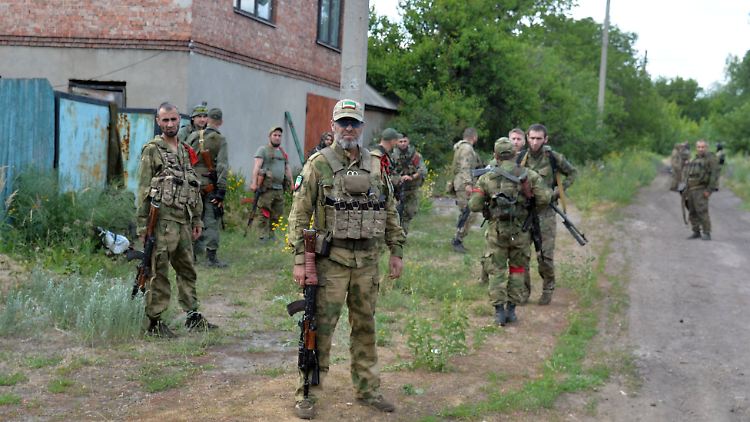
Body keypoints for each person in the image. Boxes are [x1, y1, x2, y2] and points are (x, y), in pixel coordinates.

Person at [287, 99, 405, 419]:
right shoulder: (318, 164)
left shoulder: (377, 164)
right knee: (318, 327)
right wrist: (301, 261)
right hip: (332, 262)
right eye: (343, 123)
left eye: (354, 123)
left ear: (362, 127)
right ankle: (307, 392)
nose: (349, 128)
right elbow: (299, 215)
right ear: (333, 126)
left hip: (367, 261)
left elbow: (389, 210)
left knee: (365, 327)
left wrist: (396, 250)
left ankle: (368, 389)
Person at [136, 102, 217, 338]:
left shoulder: (184, 150)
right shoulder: (152, 150)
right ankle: (155, 322)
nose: (170, 124)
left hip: (183, 220)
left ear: (179, 121)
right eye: (165, 120)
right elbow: (142, 189)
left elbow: (193, 185)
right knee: (158, 271)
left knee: (187, 269)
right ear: (158, 122)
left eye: (173, 120)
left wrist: (197, 220)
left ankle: (192, 315)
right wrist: (143, 225)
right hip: (161, 222)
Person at [469, 138, 551, 325]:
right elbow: (545, 198)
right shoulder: (528, 175)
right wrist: (530, 209)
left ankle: (499, 312)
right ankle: (512, 310)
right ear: (515, 154)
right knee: (517, 269)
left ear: (495, 155)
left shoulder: (486, 177)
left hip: (496, 232)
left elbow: (474, 205)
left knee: (496, 270)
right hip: (521, 232)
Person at [517, 124, 577, 305]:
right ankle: (523, 292)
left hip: (546, 213)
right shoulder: (520, 158)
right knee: (521, 254)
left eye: (538, 138)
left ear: (545, 139)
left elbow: (572, 173)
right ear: (527, 137)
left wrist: (558, 192)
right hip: (525, 212)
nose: (534, 142)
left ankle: (548, 287)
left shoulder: (553, 158)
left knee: (545, 256)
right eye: (532, 138)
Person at [187, 107, 229, 267]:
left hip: (192, 184)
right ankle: (211, 257)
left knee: (192, 218)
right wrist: (221, 190)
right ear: (221, 122)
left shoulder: (192, 136)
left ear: (207, 119)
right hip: (210, 186)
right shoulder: (220, 139)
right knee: (211, 219)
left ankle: (191, 255)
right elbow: (223, 166)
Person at [250, 126, 293, 242]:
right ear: (270, 136)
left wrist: (292, 184)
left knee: (277, 214)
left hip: (279, 189)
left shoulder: (283, 153)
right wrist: (254, 183)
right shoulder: (263, 150)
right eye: (275, 135)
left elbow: (287, 169)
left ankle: (271, 234)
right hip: (266, 189)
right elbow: (257, 167)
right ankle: (262, 236)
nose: (277, 137)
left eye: (279, 135)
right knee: (264, 213)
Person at [450, 127, 484, 253]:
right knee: (469, 213)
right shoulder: (467, 149)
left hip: (460, 183)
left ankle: (458, 239)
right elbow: (465, 167)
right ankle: (457, 240)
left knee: (466, 213)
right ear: (474, 137)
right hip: (464, 184)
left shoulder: (460, 147)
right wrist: (468, 184)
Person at [391, 134, 428, 234]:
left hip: (411, 188)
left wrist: (412, 177)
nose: (403, 144)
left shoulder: (415, 156)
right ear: (396, 142)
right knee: (394, 213)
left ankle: (403, 235)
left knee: (409, 212)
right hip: (396, 189)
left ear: (408, 141)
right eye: (400, 141)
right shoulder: (393, 156)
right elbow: (388, 172)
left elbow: (423, 170)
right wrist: (399, 178)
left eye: (405, 141)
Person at [682, 139, 719, 240]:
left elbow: (714, 175)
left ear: (706, 147)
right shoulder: (695, 158)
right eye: (699, 147)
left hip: (701, 189)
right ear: (696, 148)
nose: (700, 149)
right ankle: (696, 231)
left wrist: (709, 190)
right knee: (692, 211)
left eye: (703, 147)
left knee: (702, 211)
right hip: (691, 189)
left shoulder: (710, 159)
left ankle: (707, 233)